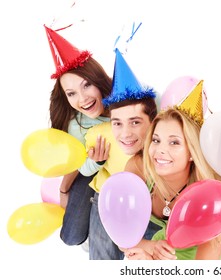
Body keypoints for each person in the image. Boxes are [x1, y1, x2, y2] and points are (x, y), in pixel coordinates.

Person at [122, 81, 221, 260]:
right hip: (173, 237)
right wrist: (150, 247)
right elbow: (122, 234)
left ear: (192, 152)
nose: (160, 150)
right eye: (156, 140)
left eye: (174, 142)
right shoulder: (138, 168)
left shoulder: (207, 200)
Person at [85, 47, 157, 260]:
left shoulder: (163, 151)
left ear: (153, 122)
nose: (125, 134)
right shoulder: (99, 136)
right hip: (106, 199)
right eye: (117, 123)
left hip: (151, 203)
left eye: (135, 122)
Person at [45, 25, 111, 248]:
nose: (82, 99)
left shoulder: (123, 103)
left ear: (98, 79)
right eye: (71, 93)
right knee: (71, 236)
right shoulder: (77, 124)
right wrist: (95, 162)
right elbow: (81, 167)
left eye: (87, 85)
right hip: (92, 169)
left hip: (129, 169)